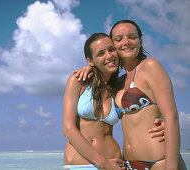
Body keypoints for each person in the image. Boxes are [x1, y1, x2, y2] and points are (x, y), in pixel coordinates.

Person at [74, 20, 186, 170]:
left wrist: (171, 166)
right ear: (113, 46)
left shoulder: (150, 67)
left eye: (132, 37)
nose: (126, 42)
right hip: (128, 164)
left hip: (160, 162)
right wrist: (90, 68)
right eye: (119, 39)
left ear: (140, 41)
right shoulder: (118, 82)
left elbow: (172, 116)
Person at [63, 33, 165, 170]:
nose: (109, 56)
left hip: (116, 162)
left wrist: (164, 122)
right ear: (90, 60)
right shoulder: (78, 80)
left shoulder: (119, 87)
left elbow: (149, 102)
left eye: (111, 50)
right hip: (81, 164)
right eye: (100, 53)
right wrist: (103, 163)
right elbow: (68, 129)